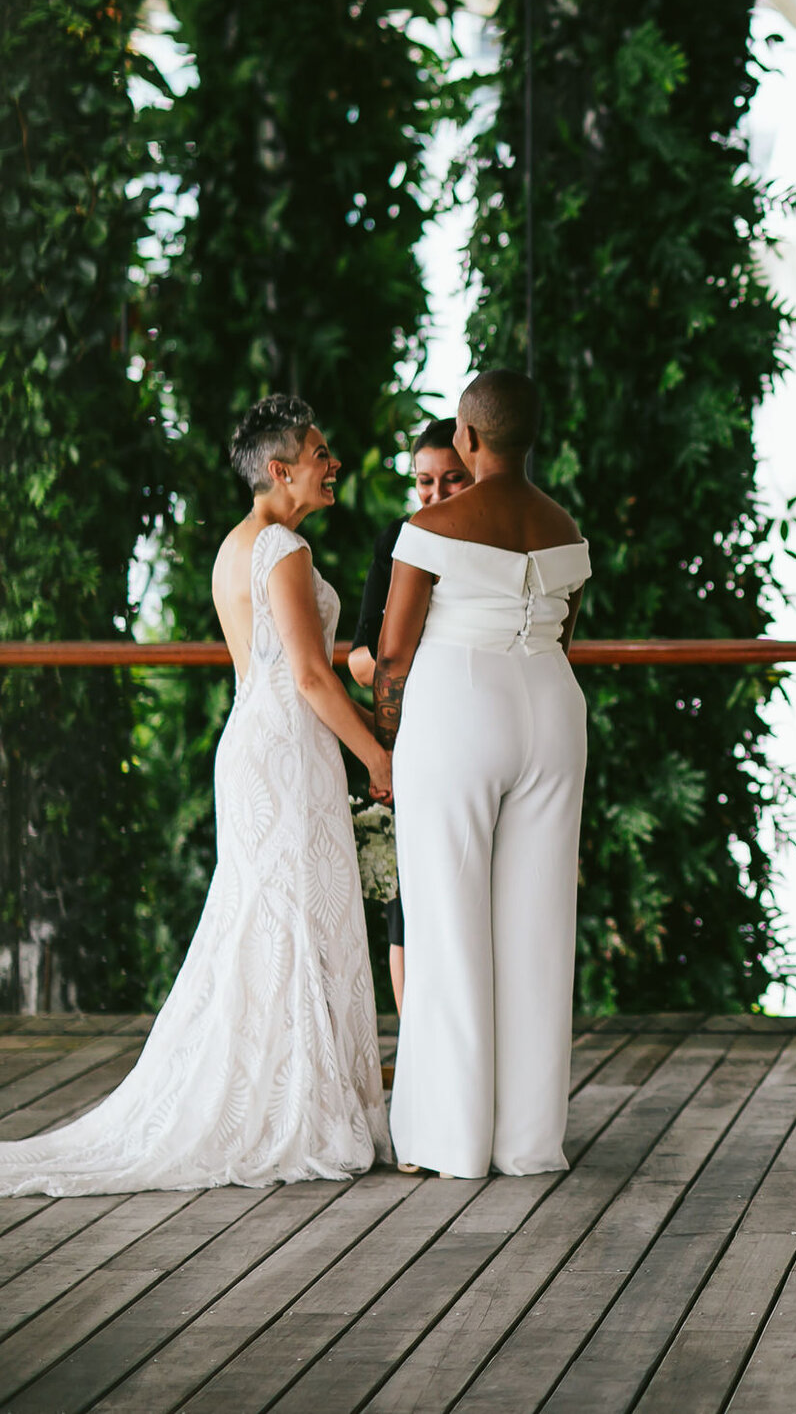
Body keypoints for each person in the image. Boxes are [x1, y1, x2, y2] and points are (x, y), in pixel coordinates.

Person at [0, 397, 391, 1195]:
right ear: (280, 469)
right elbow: (313, 677)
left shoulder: (236, 546)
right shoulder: (282, 546)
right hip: (285, 749)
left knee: (271, 916)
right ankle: (296, 1106)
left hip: (259, 740)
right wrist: (380, 759)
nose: (333, 460)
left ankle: (289, 1093)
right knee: (288, 913)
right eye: (320, 450)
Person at [375, 370, 591, 1178]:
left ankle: (450, 1140)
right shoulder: (564, 526)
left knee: (447, 922)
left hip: (459, 706)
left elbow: (393, 652)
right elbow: (567, 630)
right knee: (538, 929)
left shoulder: (433, 527)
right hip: (552, 706)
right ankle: (528, 1141)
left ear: (468, 437)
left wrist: (388, 742)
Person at [349, 415, 474, 1013]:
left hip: (478, 733)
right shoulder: (395, 541)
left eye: (452, 479)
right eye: (425, 482)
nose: (436, 495)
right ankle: (416, 1032)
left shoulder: (492, 537)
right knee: (410, 895)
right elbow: (362, 660)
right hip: (416, 731)